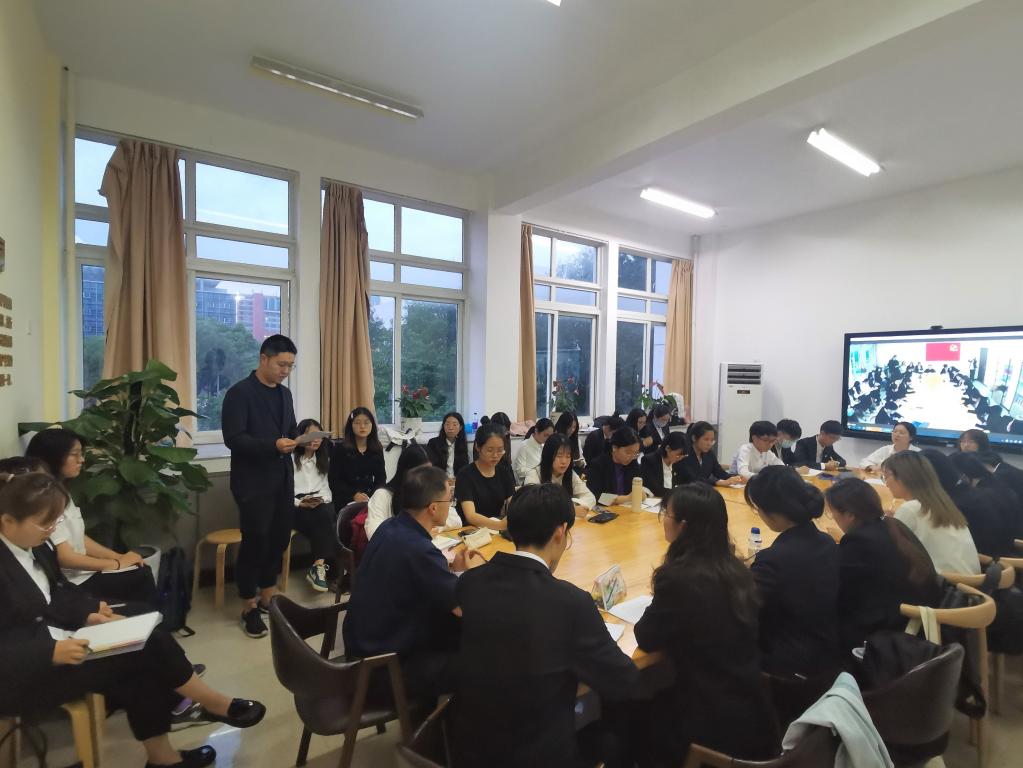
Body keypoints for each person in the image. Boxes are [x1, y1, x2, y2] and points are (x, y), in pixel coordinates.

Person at [0, 472, 266, 768]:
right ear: (8, 521)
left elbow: (57, 591)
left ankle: (164, 757)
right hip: (23, 675)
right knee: (147, 648)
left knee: (141, 642)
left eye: (55, 523)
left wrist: (89, 611)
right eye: (45, 524)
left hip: (61, 640)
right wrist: (49, 652)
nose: (51, 531)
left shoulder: (36, 546)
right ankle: (213, 703)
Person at [454, 483, 639, 768]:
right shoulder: (571, 602)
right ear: (560, 532)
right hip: (538, 754)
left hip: (472, 748)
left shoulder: (469, 582)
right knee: (623, 726)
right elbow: (623, 679)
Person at [634, 484, 779, 764]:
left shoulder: (679, 578)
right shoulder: (737, 570)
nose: (663, 519)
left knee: (627, 711)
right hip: (754, 709)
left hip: (707, 722)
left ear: (683, 526)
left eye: (667, 514)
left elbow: (646, 636)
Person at [343, 466, 485, 700]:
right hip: (383, 669)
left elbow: (415, 576)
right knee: (485, 659)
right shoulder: (418, 549)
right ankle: (445, 721)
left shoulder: (391, 527)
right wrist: (474, 574)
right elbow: (463, 608)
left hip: (363, 646)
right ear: (433, 507)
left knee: (456, 629)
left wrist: (453, 569)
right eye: (450, 499)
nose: (451, 504)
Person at [221, 333, 299, 639]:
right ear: (263, 359)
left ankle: (268, 596)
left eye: (290, 366)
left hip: (283, 479)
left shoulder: (285, 395)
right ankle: (248, 606)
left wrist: (301, 441)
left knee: (278, 539)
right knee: (255, 541)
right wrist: (273, 445)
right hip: (252, 482)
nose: (285, 371)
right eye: (281, 364)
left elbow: (289, 430)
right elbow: (234, 439)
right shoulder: (240, 393)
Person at [26, 428, 156, 605]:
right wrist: (115, 564)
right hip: (72, 582)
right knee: (140, 575)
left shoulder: (61, 490)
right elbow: (64, 557)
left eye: (81, 454)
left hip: (83, 574)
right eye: (75, 454)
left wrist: (117, 557)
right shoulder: (44, 500)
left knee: (138, 569)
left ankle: (151, 618)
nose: (81, 460)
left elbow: (79, 538)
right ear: (53, 457)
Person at [825, 478, 941, 653]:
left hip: (892, 633)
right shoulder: (892, 524)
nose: (833, 518)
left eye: (832, 512)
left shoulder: (858, 540)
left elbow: (841, 591)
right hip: (919, 618)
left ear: (849, 514)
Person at [744, 466, 840, 679]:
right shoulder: (826, 542)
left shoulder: (773, 559)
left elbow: (742, 608)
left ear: (772, 513)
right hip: (827, 651)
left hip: (789, 666)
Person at [882, 452, 980, 574]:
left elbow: (888, 550)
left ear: (904, 477)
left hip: (945, 582)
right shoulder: (942, 503)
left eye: (886, 476)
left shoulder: (910, 509)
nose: (886, 483)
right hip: (969, 580)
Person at [367, 445, 460, 539]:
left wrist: (433, 528)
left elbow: (456, 520)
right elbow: (374, 533)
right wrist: (417, 533)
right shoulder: (383, 495)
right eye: (422, 473)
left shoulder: (430, 492)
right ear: (406, 472)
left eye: (430, 471)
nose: (428, 478)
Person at [291, 418, 336, 593]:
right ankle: (328, 570)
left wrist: (319, 500)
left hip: (318, 503)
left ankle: (318, 566)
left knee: (326, 512)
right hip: (296, 506)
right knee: (326, 519)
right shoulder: (289, 459)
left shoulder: (323, 459)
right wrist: (300, 503)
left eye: (319, 436)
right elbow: (283, 491)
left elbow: (326, 488)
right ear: (300, 437)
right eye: (311, 435)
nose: (316, 440)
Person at [945, 452, 1018, 556]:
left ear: (963, 476)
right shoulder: (1001, 487)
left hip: (988, 558)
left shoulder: (974, 499)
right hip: (1009, 552)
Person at [455, 422, 516, 530]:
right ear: (478, 447)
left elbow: (514, 504)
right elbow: (470, 516)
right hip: (470, 530)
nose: (495, 455)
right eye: (490, 450)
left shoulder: (504, 473)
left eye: (500, 450)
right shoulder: (465, 475)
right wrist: (499, 525)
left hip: (495, 528)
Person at [523, 433, 596, 514]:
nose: (564, 461)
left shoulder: (570, 474)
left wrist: (577, 505)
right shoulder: (534, 474)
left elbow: (590, 497)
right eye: (559, 456)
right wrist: (569, 509)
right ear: (548, 456)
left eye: (568, 456)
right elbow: (532, 505)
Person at [328, 407, 386, 508]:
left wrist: (374, 496)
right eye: (357, 423)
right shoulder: (340, 449)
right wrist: (353, 495)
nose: (362, 426)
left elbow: (381, 478)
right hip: (346, 498)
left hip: (370, 497)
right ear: (351, 425)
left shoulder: (376, 448)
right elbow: (334, 480)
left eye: (366, 423)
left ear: (372, 425)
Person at [585, 427, 645, 505]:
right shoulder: (598, 465)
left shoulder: (633, 463)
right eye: (628, 452)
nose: (631, 457)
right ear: (614, 447)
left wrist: (642, 494)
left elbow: (637, 488)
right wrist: (626, 498)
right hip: (606, 509)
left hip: (626, 508)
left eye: (636, 453)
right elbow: (594, 496)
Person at [678, 422, 743, 488]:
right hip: (684, 491)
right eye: (706, 439)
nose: (709, 444)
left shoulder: (709, 454)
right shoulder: (683, 454)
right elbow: (692, 478)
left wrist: (737, 478)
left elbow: (720, 472)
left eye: (712, 440)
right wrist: (718, 482)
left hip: (702, 491)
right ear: (694, 438)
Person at [640, 431, 688, 500]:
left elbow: (685, 482)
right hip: (655, 500)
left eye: (683, 456)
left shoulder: (680, 461)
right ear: (667, 448)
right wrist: (676, 493)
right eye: (678, 455)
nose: (680, 458)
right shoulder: (649, 461)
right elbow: (653, 488)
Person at [425, 412, 469, 479]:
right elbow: (430, 468)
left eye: (454, 424)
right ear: (443, 426)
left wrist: (456, 480)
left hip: (457, 482)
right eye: (447, 424)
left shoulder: (462, 444)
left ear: (460, 427)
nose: (450, 428)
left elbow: (464, 469)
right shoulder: (433, 443)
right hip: (439, 481)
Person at [513, 418, 555, 485]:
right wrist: (537, 471)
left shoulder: (544, 446)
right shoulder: (524, 446)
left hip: (543, 481)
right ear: (536, 431)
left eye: (550, 436)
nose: (548, 439)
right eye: (545, 435)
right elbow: (519, 470)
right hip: (529, 484)